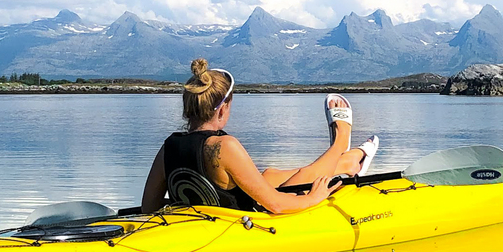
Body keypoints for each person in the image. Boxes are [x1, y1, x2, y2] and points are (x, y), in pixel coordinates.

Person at [140, 60, 381, 216]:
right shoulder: (225, 146)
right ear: (223, 110)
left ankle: (347, 162)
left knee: (269, 175)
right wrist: (313, 198)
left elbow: (148, 207)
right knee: (304, 180)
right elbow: (274, 204)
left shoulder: (168, 147)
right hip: (248, 220)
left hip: (211, 218)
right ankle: (342, 145)